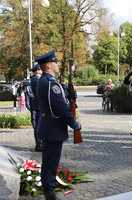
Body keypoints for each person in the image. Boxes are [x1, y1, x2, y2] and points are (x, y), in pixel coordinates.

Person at [35, 50, 81, 200]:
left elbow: (60, 101)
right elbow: (60, 108)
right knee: (51, 162)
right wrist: (74, 123)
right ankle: (49, 192)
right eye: (55, 62)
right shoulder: (49, 84)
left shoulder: (46, 81)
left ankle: (49, 186)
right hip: (53, 129)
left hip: (49, 127)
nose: (57, 64)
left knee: (49, 161)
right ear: (48, 65)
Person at [27, 63, 43, 151]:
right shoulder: (36, 80)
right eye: (40, 69)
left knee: (36, 126)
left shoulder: (31, 80)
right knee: (38, 126)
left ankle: (38, 144)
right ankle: (39, 145)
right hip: (38, 107)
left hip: (34, 107)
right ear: (37, 70)